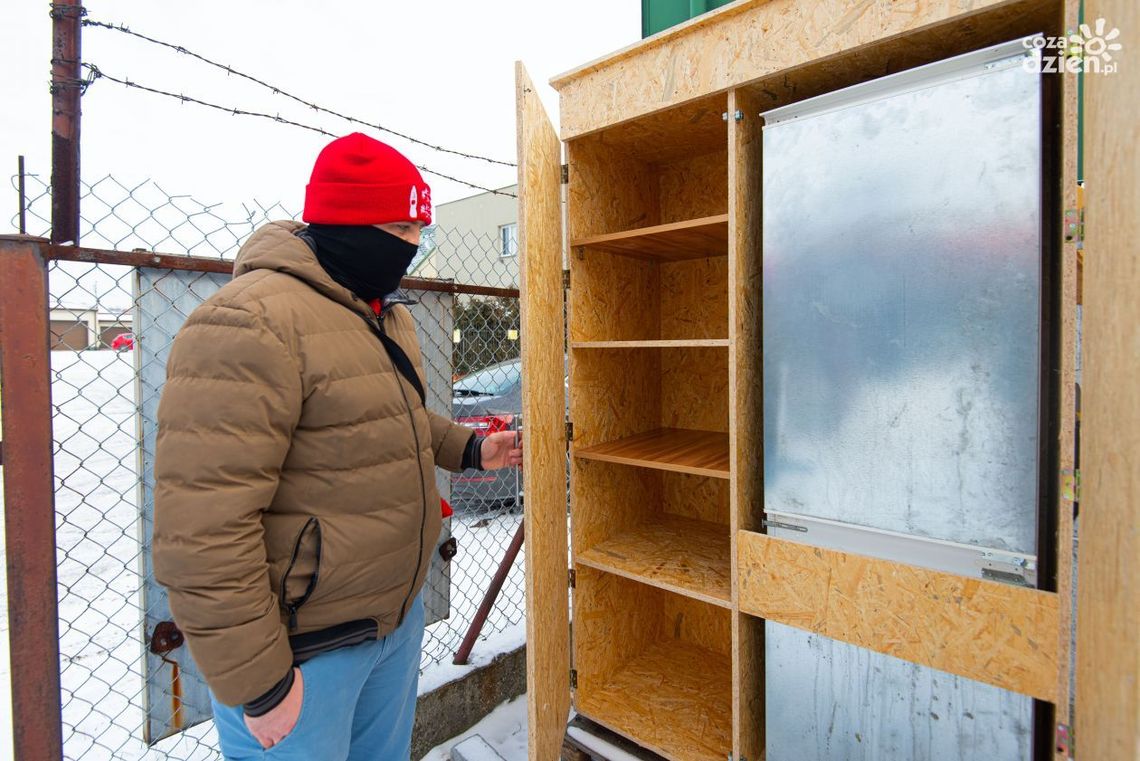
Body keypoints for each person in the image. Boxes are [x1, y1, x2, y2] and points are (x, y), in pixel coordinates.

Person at [152, 132, 522, 760]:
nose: (413, 246)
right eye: (402, 227)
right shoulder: (251, 321)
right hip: (303, 653)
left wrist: (469, 450)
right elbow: (202, 527)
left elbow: (393, 422)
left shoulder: (386, 314)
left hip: (391, 626)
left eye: (420, 229)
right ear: (350, 225)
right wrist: (258, 681)